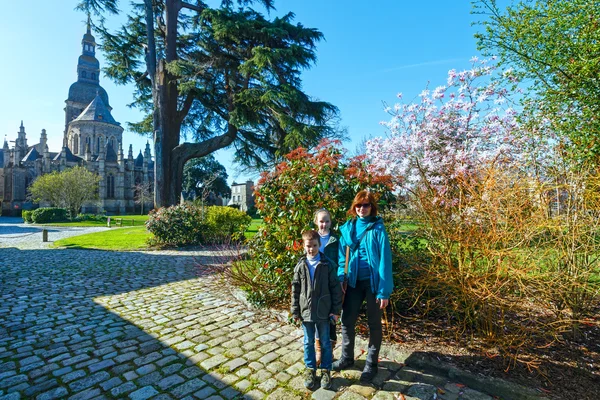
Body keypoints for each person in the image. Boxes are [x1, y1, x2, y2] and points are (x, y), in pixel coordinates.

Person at [332, 190, 393, 384]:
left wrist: (384, 291)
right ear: (354, 207)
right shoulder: (348, 229)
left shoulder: (378, 229)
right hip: (352, 283)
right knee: (347, 320)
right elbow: (342, 259)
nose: (362, 209)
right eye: (358, 205)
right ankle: (347, 357)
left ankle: (371, 364)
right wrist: (342, 278)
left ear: (371, 207)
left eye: (366, 205)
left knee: (374, 324)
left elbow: (385, 261)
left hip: (373, 283)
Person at [291, 230, 343, 390]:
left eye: (314, 245)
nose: (311, 249)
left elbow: (335, 288)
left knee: (325, 342)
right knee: (308, 342)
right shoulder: (300, 266)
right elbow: (295, 289)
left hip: (324, 312)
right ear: (304, 246)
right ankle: (310, 369)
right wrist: (295, 311)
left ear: (320, 245)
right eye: (308, 246)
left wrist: (336, 310)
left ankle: (326, 369)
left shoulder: (327, 265)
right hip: (306, 312)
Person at [313, 208, 340, 366]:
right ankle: (318, 352)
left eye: (327, 221)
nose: (324, 224)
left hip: (331, 284)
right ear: (316, 222)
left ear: (331, 222)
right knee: (317, 317)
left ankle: (328, 351)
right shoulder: (311, 238)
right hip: (316, 284)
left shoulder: (335, 240)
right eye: (321, 221)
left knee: (331, 317)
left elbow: (342, 259)